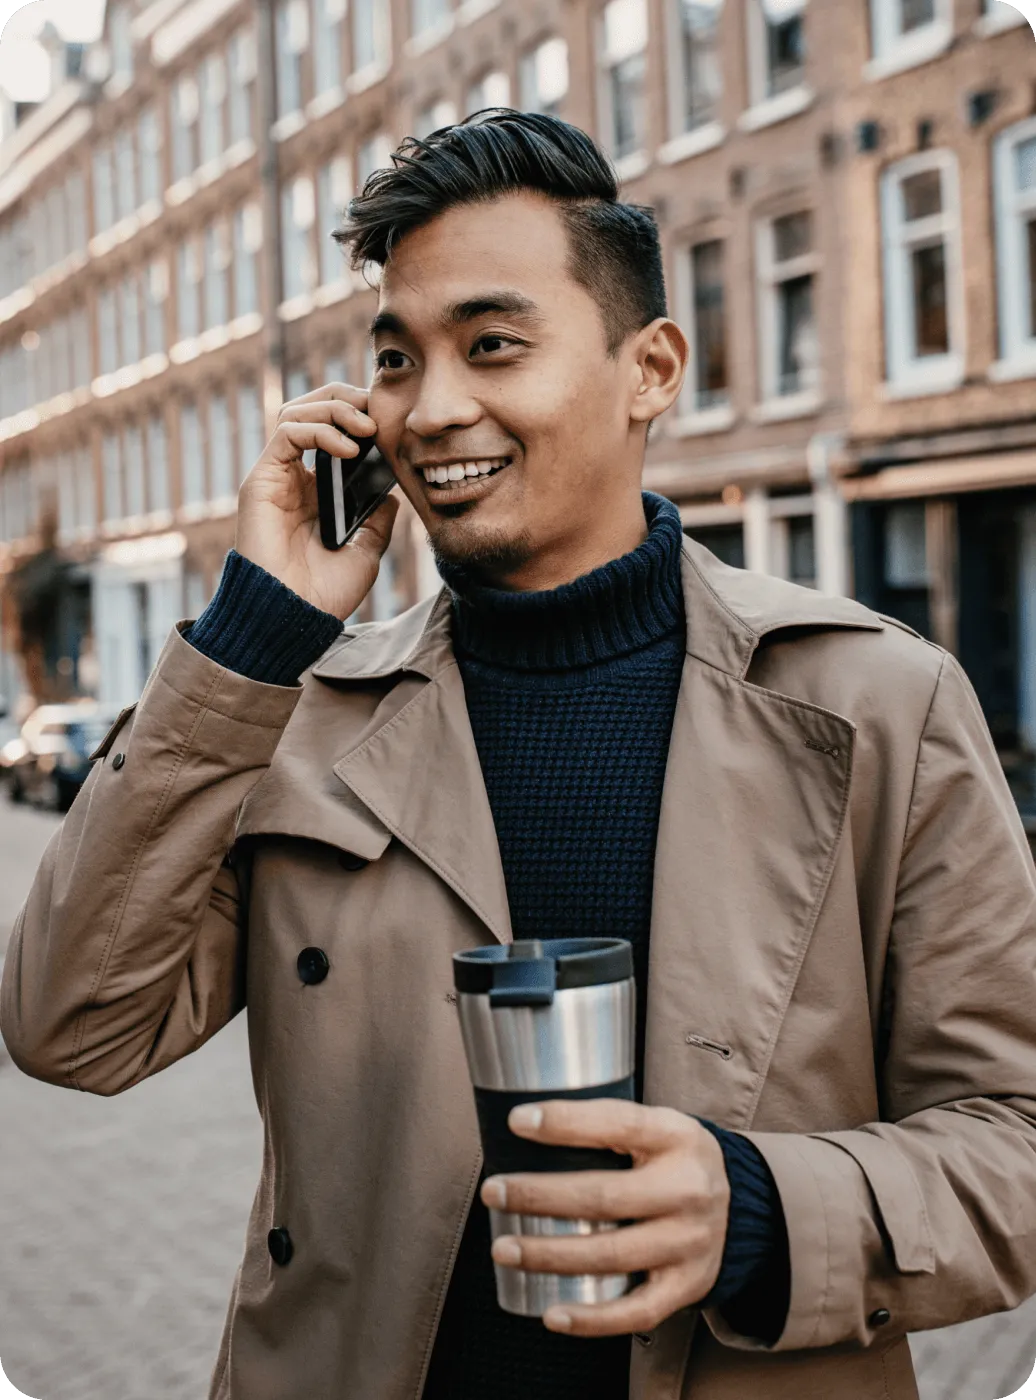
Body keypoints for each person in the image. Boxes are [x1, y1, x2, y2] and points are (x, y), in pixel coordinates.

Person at [3, 111, 1036, 1400]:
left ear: (649, 367)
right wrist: (252, 637)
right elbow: (70, 1025)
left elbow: (1016, 1139)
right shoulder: (298, 718)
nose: (432, 410)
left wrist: (767, 1212)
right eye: (395, 359)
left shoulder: (880, 704)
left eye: (493, 345)